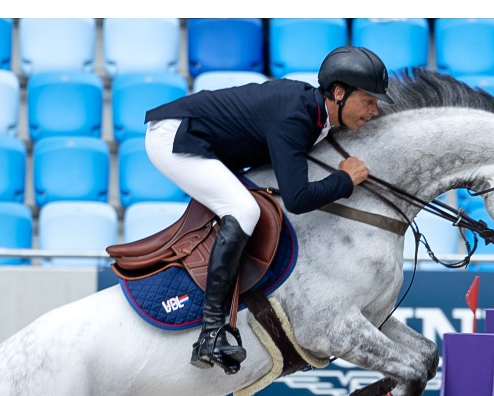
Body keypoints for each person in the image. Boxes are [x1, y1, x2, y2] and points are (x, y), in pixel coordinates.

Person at [144, 46, 393, 374]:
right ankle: (211, 333)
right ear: (338, 93)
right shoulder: (295, 116)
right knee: (244, 211)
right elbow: (298, 199)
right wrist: (345, 180)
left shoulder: (315, 115)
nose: (374, 110)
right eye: (369, 101)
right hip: (175, 137)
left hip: (203, 140)